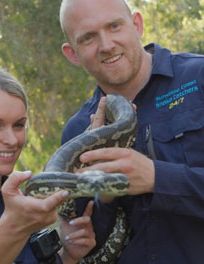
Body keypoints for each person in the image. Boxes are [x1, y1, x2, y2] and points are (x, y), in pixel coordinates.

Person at [59, 0, 204, 263]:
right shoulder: (76, 133)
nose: (106, 45)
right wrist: (104, 195)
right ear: (72, 54)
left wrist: (156, 178)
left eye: (114, 26)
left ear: (137, 25)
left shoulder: (198, 77)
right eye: (88, 38)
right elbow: (90, 247)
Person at [0, 67, 96, 264]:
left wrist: (69, 256)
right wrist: (15, 226)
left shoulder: (23, 202)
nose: (12, 140)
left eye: (18, 125)